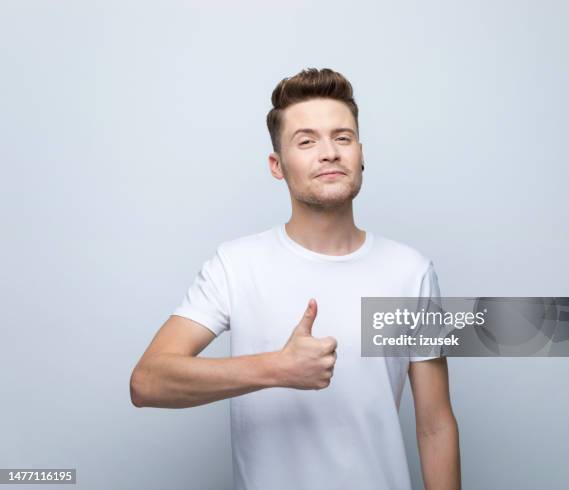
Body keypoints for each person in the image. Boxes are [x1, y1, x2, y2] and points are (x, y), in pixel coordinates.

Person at [130, 67, 461, 490]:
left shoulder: (410, 271)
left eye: (342, 137)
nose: (329, 153)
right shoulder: (235, 265)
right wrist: (277, 368)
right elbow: (147, 382)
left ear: (361, 154)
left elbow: (435, 426)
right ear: (277, 165)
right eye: (306, 141)